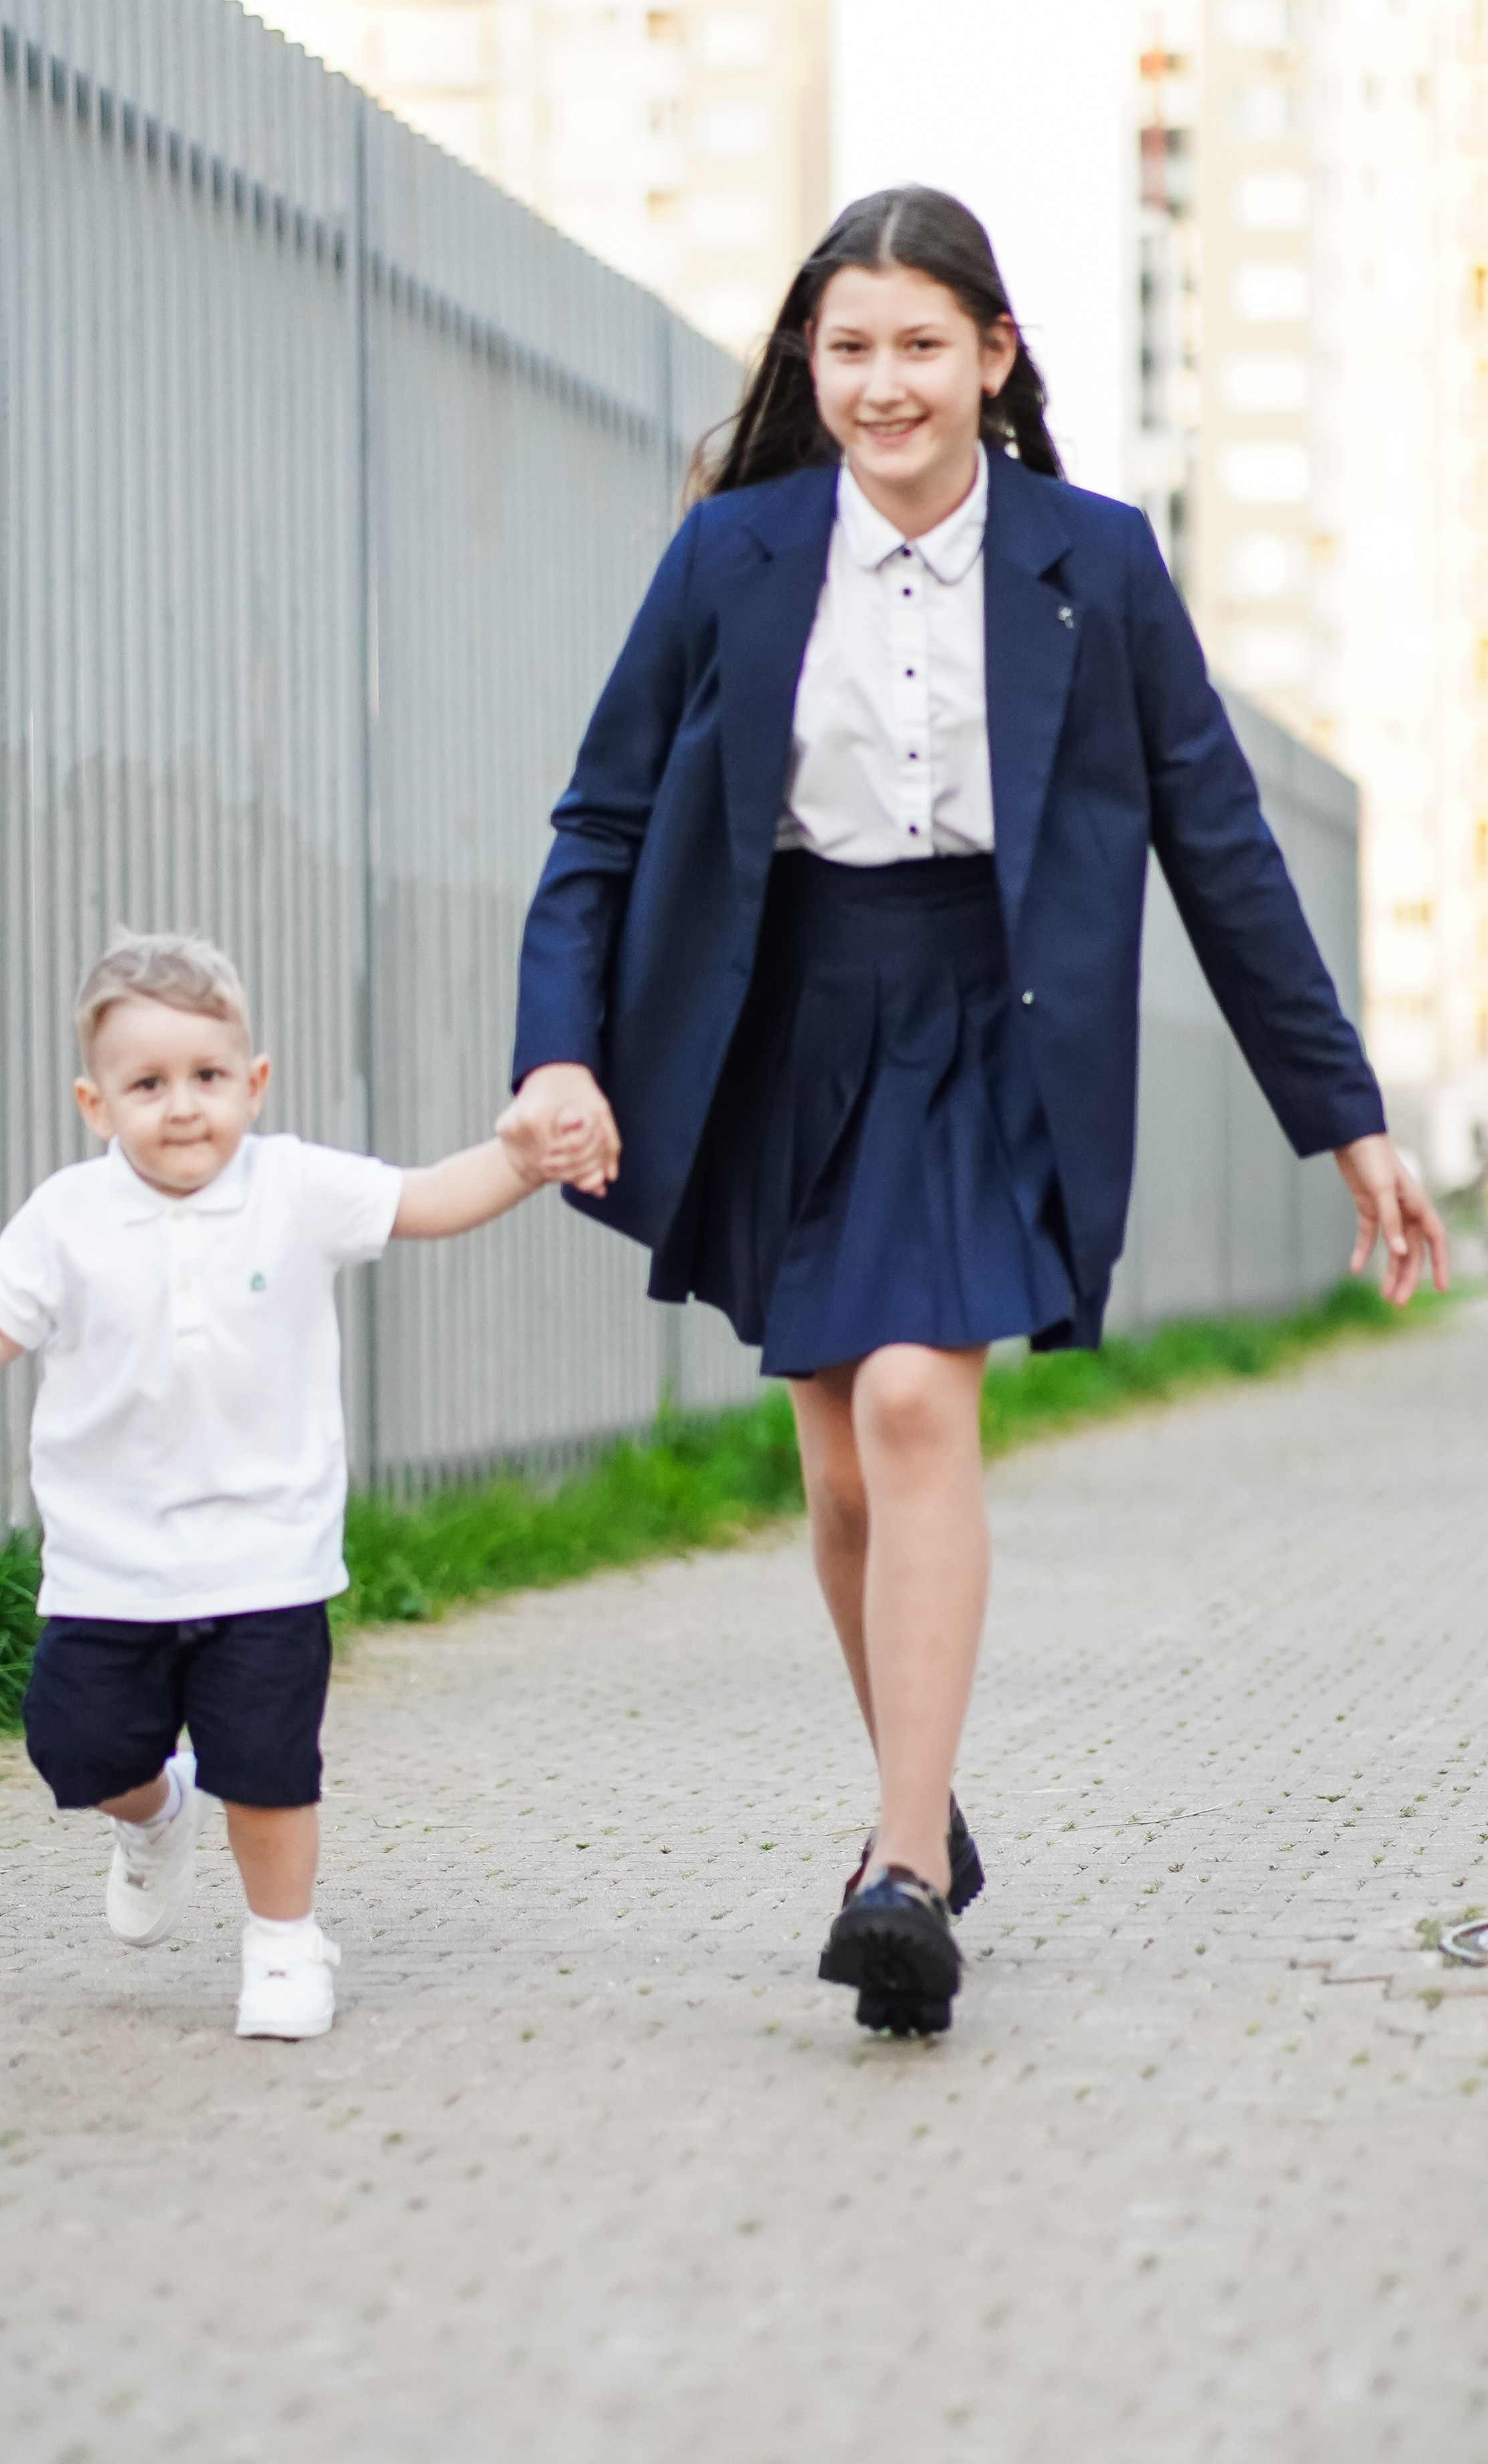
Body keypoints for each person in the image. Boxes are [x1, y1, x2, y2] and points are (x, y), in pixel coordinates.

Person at [498, 186, 1448, 2041]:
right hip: (787, 1014)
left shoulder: (1091, 562)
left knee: (923, 1400)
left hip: (984, 1012)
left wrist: (1340, 1116)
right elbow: (599, 820)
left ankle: (900, 1868)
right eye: (843, 347)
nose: (878, 383)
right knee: (841, 1461)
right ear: (808, 364)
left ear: (991, 357)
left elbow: (1219, 845)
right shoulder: (734, 558)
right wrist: (556, 1050)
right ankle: (917, 1808)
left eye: (917, 343)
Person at [0, 931, 543, 2042]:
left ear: (253, 1081)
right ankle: (154, 1814)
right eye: (148, 1085)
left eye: (208, 1079)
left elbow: (425, 1200)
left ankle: (281, 1945)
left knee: (271, 1767)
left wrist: (520, 1160)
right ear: (96, 1103)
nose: (183, 1108)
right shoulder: (66, 1215)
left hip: (267, 1558)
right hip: (108, 1566)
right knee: (78, 1750)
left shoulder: (296, 1187)